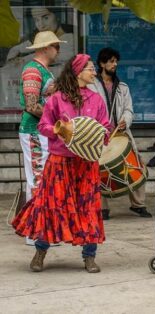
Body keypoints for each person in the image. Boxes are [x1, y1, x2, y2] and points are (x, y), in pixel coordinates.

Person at [12, 54, 112, 273]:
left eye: (94, 68)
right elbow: (43, 126)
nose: (94, 72)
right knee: (51, 206)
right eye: (90, 68)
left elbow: (106, 127)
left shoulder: (95, 100)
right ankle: (40, 252)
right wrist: (58, 130)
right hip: (59, 162)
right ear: (77, 72)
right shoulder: (57, 98)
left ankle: (89, 256)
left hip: (86, 162)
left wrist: (102, 134)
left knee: (88, 207)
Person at [88, 47, 151, 219]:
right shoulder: (91, 85)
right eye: (111, 61)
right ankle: (103, 208)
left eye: (116, 61)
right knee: (99, 168)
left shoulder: (123, 87)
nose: (114, 64)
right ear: (102, 63)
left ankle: (139, 204)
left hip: (121, 134)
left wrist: (126, 120)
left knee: (136, 163)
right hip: (100, 135)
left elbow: (129, 109)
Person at [18, 31, 65, 245]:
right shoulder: (32, 71)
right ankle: (34, 231)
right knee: (37, 179)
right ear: (46, 47)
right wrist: (53, 118)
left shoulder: (43, 71)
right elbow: (31, 105)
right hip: (34, 131)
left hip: (42, 131)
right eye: (56, 46)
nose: (58, 50)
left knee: (42, 179)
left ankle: (41, 229)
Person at [6, 7, 74, 66]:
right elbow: (16, 49)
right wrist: (12, 59)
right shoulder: (41, 37)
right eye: (37, 20)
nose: (41, 25)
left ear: (58, 16)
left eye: (46, 18)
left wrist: (23, 60)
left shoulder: (69, 36)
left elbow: (57, 57)